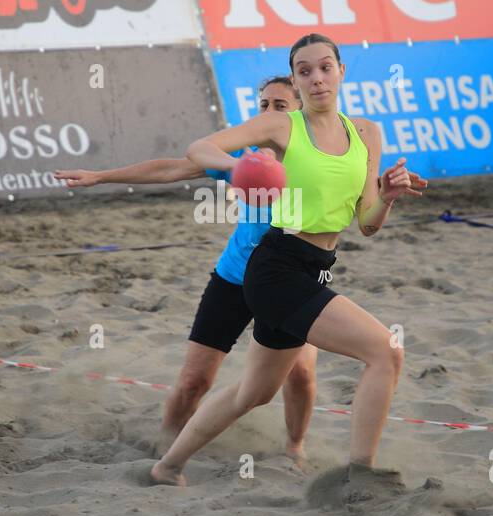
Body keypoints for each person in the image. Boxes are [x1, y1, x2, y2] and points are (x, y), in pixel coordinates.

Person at [151, 33, 426, 486]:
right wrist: (241, 169)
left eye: (324, 67)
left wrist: (389, 196)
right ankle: (361, 478)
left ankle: (168, 467)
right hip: (277, 266)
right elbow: (199, 148)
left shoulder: (367, 133)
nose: (316, 78)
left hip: (315, 268)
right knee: (385, 352)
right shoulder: (283, 127)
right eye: (305, 71)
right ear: (296, 83)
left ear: (341, 71)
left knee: (253, 393)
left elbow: (368, 224)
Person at [55, 77, 319, 459]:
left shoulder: (314, 161)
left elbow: (358, 191)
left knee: (302, 373)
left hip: (290, 282)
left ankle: (294, 448)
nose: (269, 112)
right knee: (195, 381)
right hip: (235, 277)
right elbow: (172, 169)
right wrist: (100, 176)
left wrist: (387, 188)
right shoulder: (245, 161)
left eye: (280, 105)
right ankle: (167, 443)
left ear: (300, 111)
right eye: (263, 104)